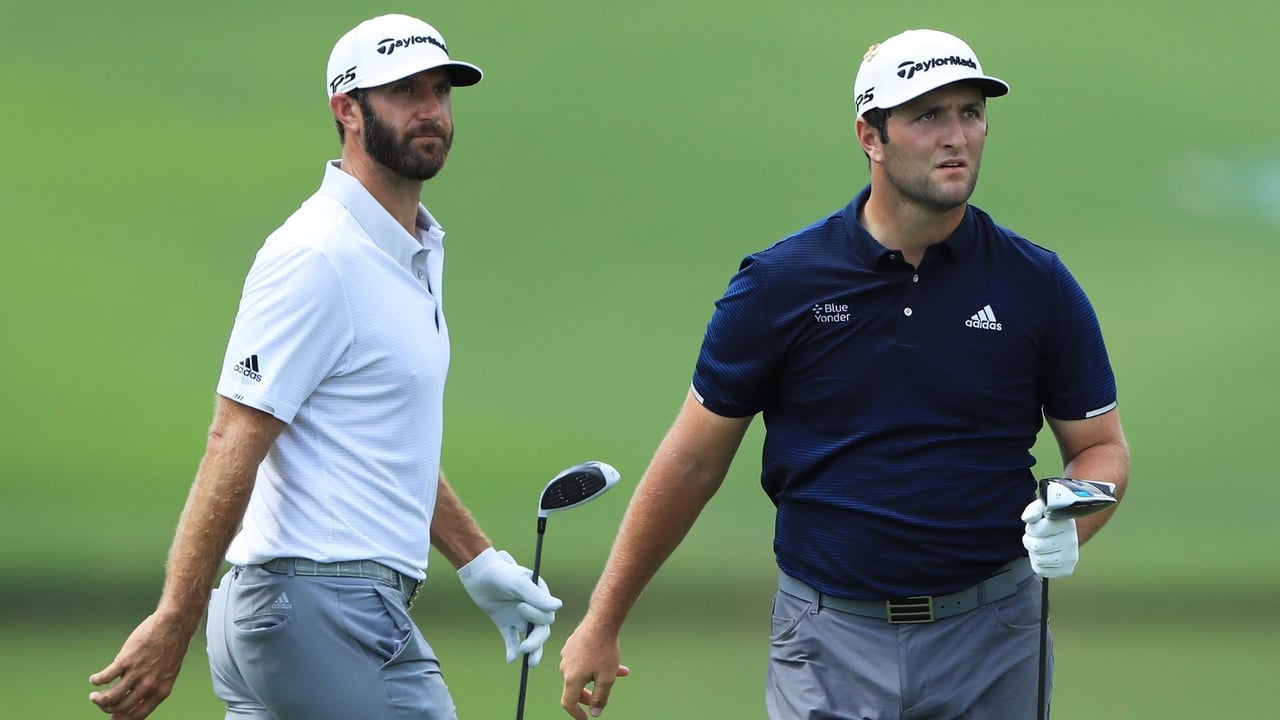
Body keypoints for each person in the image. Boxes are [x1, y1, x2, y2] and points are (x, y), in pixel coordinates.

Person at [559, 28, 1129, 720]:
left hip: (994, 636)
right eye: (927, 116)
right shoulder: (780, 284)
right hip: (827, 639)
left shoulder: (1036, 283)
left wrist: (1072, 520)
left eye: (970, 113)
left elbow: (1100, 447)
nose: (957, 136)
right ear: (871, 135)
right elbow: (691, 462)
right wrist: (602, 618)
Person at [88, 14, 562, 720]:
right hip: (324, 611)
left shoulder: (410, 250)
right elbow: (233, 439)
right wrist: (174, 619)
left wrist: (477, 559)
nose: (431, 110)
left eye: (440, 91)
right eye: (404, 91)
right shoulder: (318, 255)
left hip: (301, 618)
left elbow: (376, 441)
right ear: (347, 109)